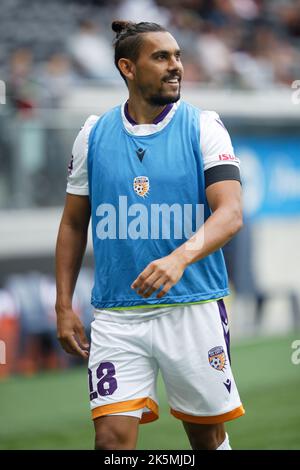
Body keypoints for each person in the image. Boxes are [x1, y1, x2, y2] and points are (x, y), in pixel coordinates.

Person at [55, 20, 245, 451]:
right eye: (161, 57)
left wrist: (179, 258)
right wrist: (63, 304)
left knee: (207, 439)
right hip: (116, 316)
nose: (175, 66)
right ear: (127, 67)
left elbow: (230, 213)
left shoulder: (204, 127)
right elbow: (71, 224)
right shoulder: (93, 134)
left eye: (177, 56)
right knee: (110, 442)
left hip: (191, 308)